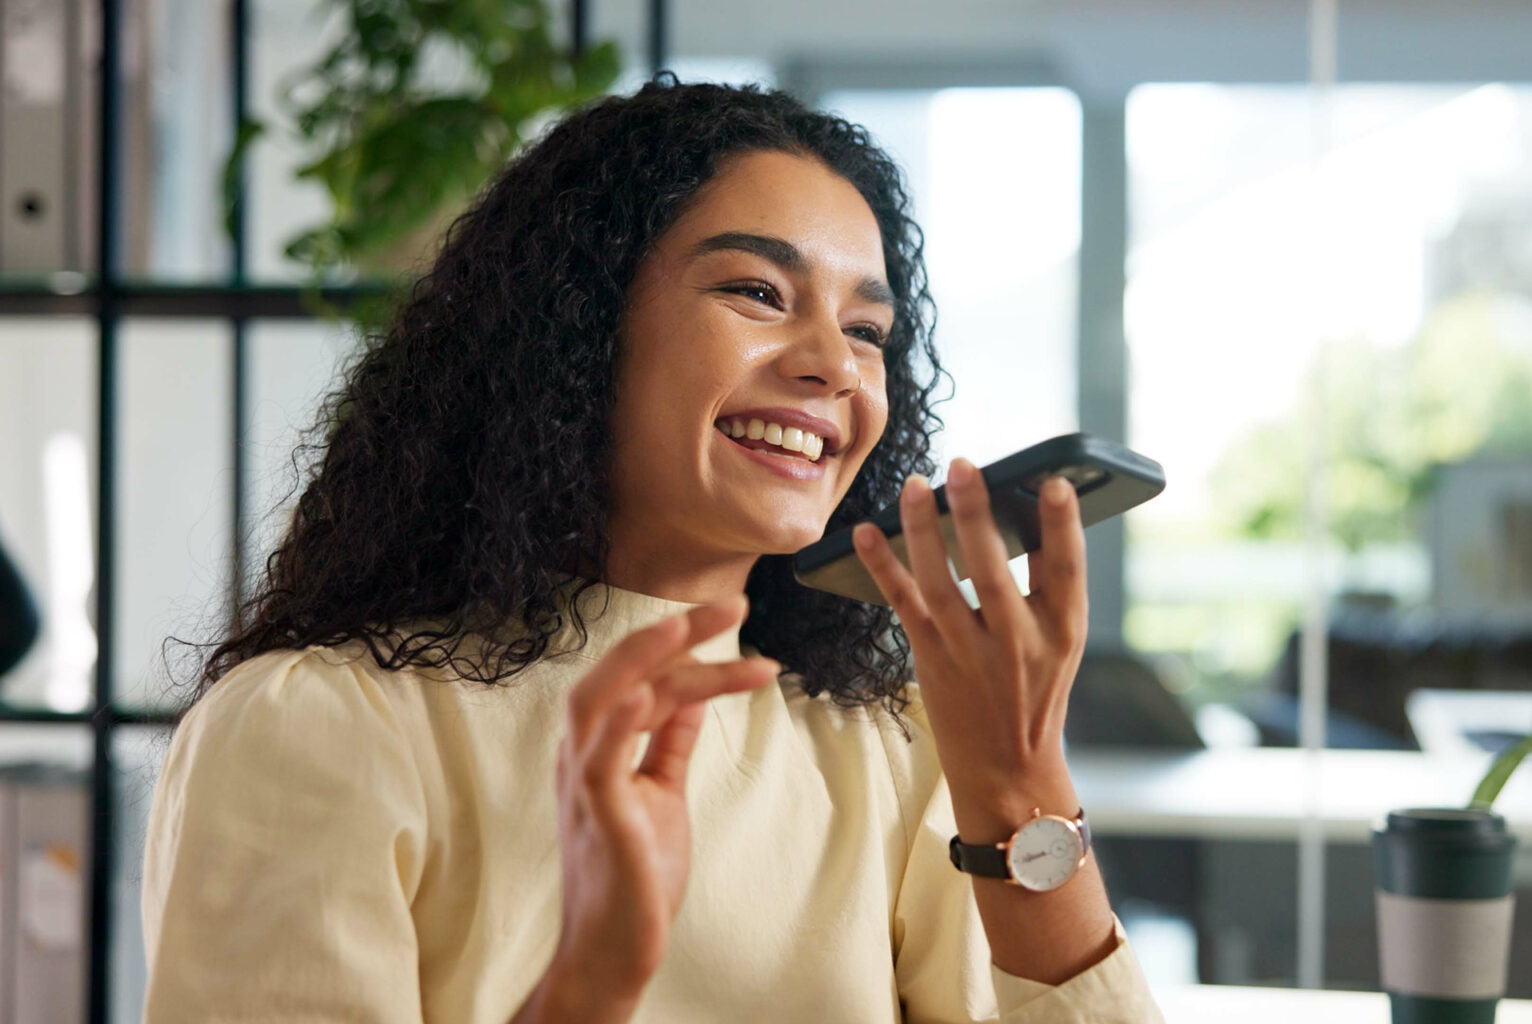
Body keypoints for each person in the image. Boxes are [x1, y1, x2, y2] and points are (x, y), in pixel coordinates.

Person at [140, 76, 1162, 1023]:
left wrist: (1021, 790)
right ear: (575, 324)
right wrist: (590, 977)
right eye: (759, 292)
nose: (832, 368)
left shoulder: (890, 746)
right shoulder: (323, 725)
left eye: (867, 330)